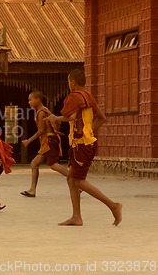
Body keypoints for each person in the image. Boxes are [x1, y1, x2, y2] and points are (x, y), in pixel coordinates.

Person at [46, 69, 122, 226]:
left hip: (82, 145)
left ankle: (113, 206)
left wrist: (55, 118)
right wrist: (89, 131)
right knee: (70, 178)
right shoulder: (88, 96)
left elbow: (71, 117)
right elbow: (102, 118)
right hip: (84, 143)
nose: (68, 85)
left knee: (79, 181)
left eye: (68, 82)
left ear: (73, 82)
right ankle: (76, 217)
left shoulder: (74, 97)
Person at [20, 91, 68, 197]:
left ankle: (76, 182)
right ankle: (32, 190)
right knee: (34, 164)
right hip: (46, 142)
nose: (29, 102)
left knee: (53, 164)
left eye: (31, 100)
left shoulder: (41, 112)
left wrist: (29, 140)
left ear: (38, 99)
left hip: (49, 141)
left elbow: (41, 131)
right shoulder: (43, 111)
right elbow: (53, 124)